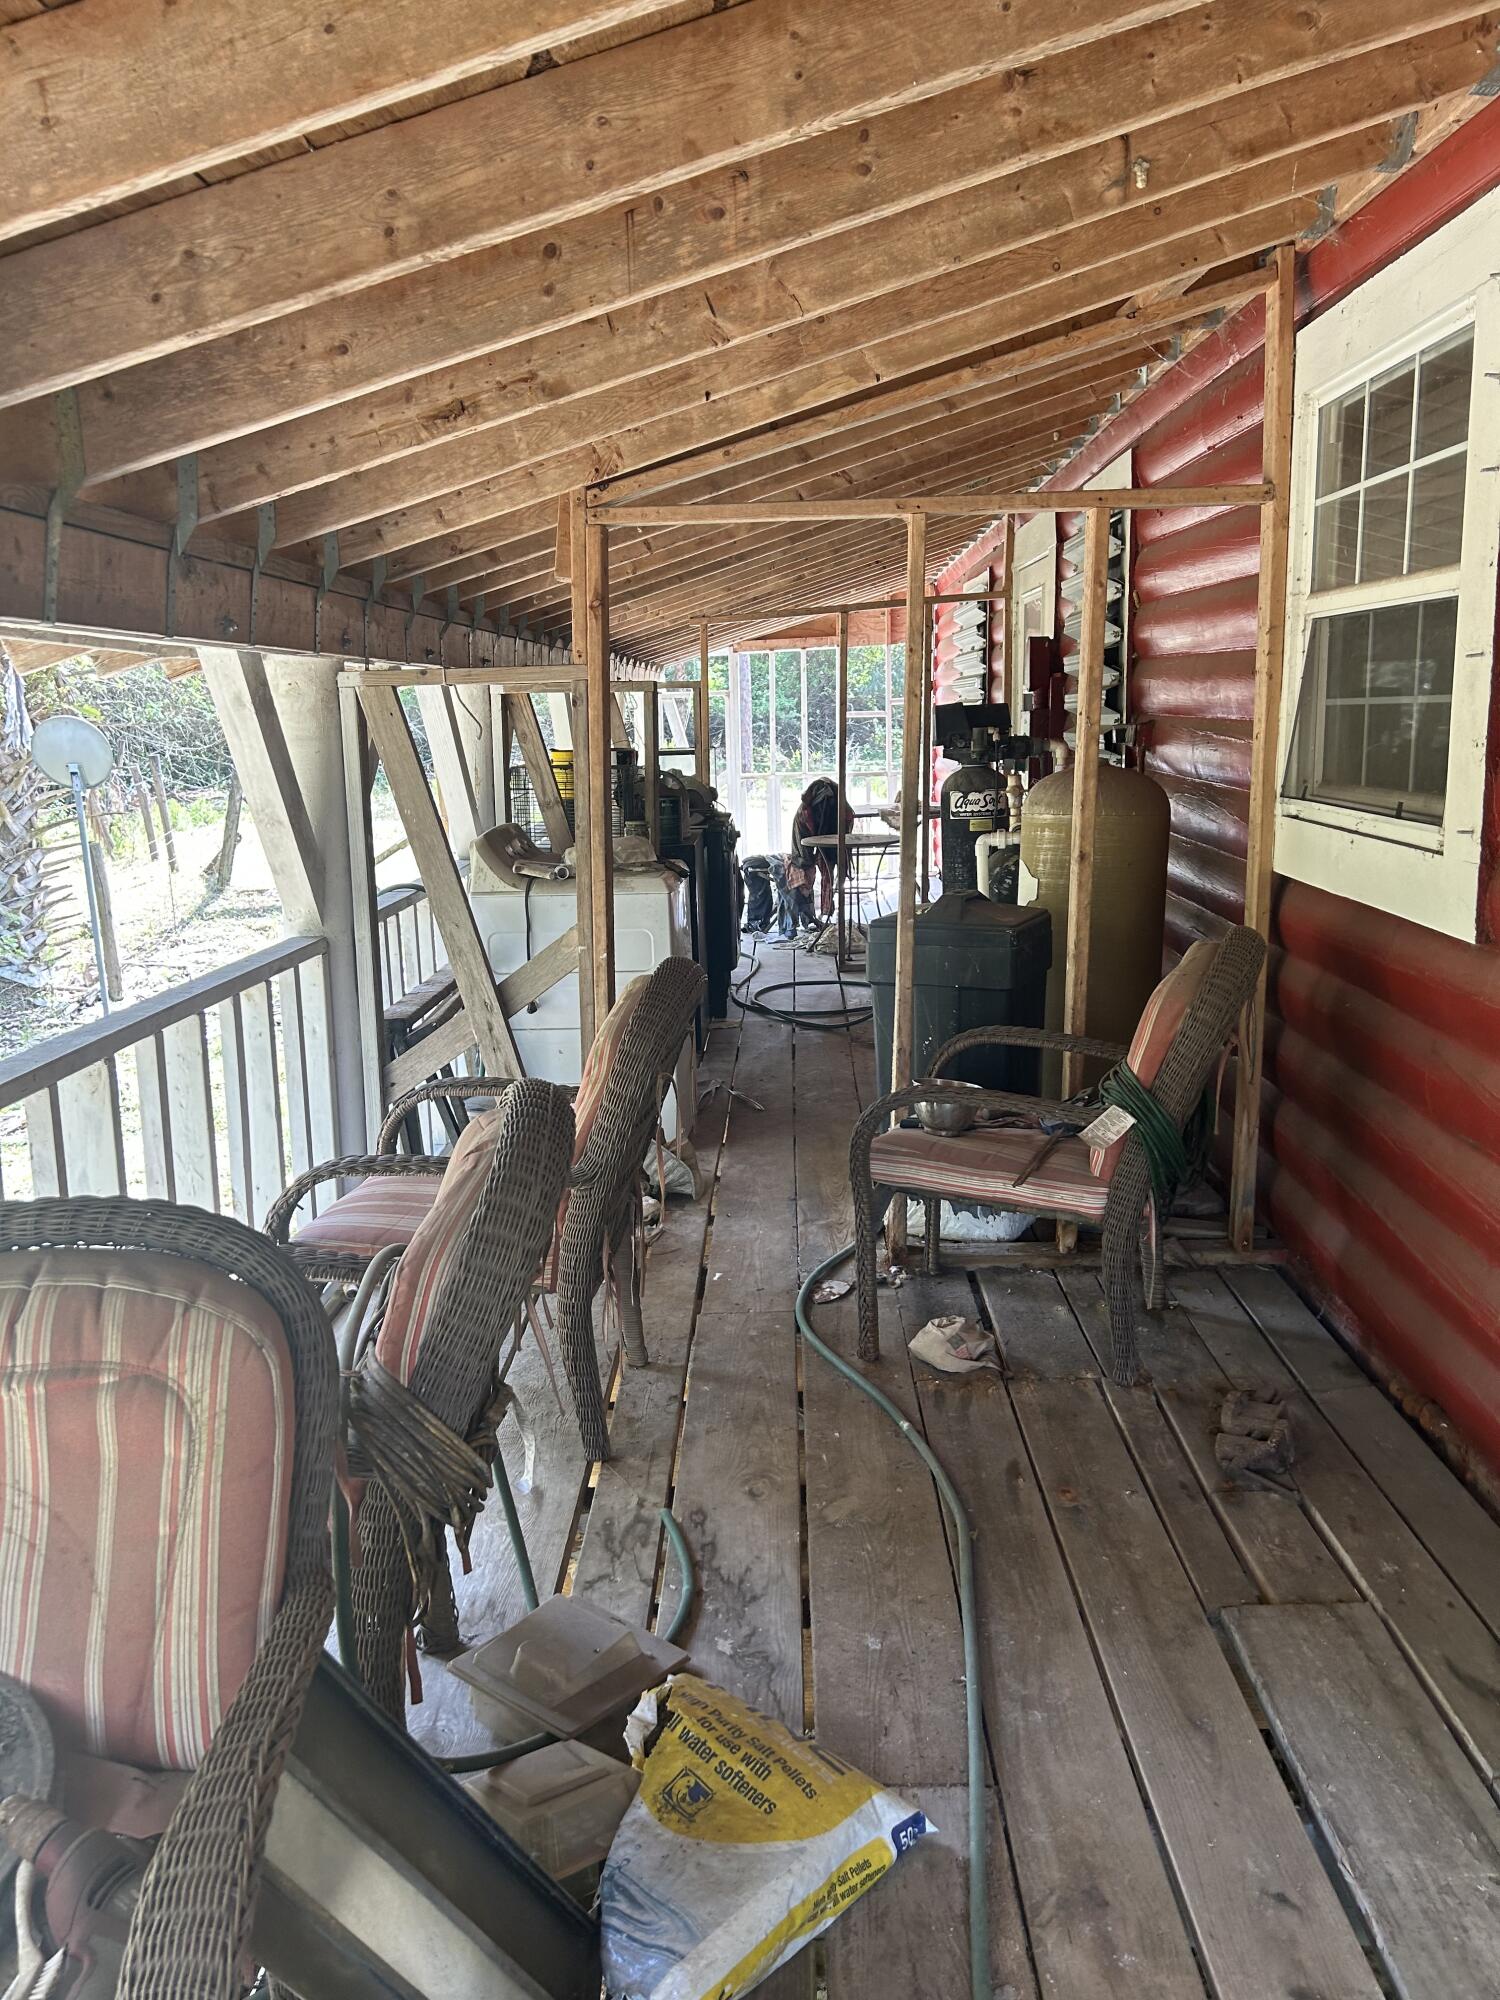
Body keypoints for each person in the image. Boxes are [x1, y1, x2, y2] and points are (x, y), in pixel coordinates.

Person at [789, 778, 852, 921]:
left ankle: (828, 908)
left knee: (835, 871)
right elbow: (800, 843)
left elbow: (847, 825)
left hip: (837, 840)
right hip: (812, 839)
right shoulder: (804, 814)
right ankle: (815, 912)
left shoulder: (843, 809)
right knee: (807, 869)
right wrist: (805, 861)